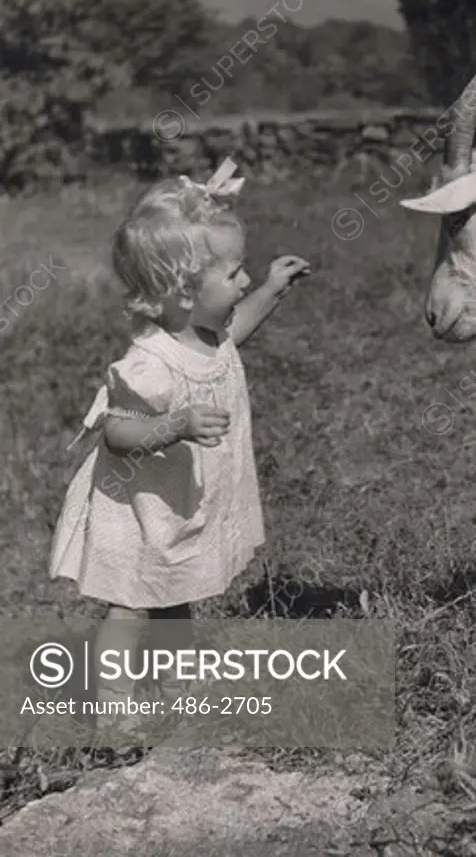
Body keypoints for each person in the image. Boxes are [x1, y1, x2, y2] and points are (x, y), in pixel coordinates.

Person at [48, 159, 310, 733]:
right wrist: (178, 425)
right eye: (237, 273)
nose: (242, 282)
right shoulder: (151, 362)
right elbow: (117, 433)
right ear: (186, 291)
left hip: (179, 500)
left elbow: (236, 330)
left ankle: (178, 685)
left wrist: (270, 288)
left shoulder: (207, 335)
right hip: (137, 506)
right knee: (131, 601)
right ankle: (112, 709)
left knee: (175, 593)